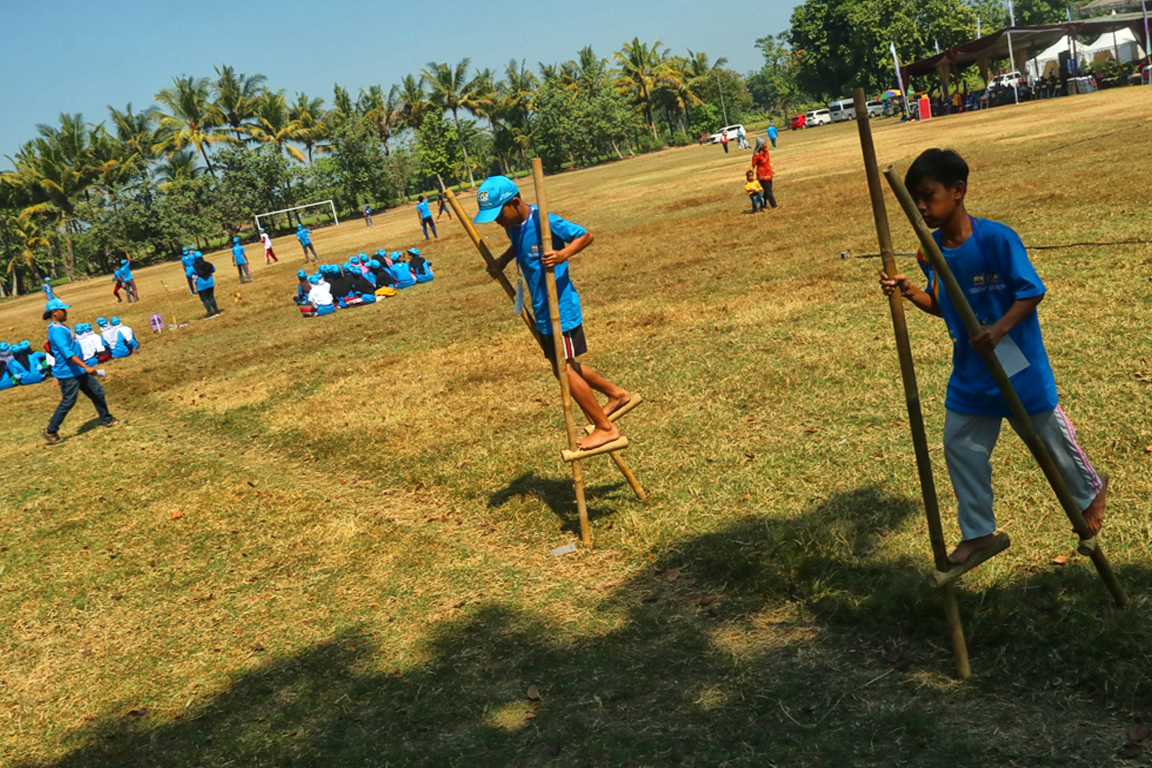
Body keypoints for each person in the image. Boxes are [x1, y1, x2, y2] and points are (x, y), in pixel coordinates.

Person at [878, 148, 1106, 565]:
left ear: (958, 190)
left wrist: (999, 327)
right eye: (916, 201)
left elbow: (1031, 289)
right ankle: (979, 532)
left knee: (1050, 441)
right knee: (959, 445)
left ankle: (1090, 491)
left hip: (1017, 365)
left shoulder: (997, 239)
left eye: (929, 196)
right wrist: (912, 292)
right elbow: (943, 305)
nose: (922, 208)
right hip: (971, 372)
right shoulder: (928, 252)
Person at [475, 175, 630, 451]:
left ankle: (606, 428)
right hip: (541, 308)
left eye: (498, 214)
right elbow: (518, 243)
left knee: (564, 368)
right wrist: (503, 260)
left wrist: (563, 254)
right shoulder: (513, 225)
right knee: (564, 365)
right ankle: (616, 394)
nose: (498, 222)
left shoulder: (544, 221)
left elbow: (586, 235)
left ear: (514, 202)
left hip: (561, 308)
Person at [41, 298, 118, 443]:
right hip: (68, 372)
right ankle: (50, 430)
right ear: (55, 313)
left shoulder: (61, 327)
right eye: (63, 310)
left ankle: (107, 419)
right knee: (68, 401)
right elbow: (67, 353)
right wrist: (86, 366)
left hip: (77, 370)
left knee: (97, 392)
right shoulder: (56, 331)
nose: (65, 312)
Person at [750, 137, 779, 210]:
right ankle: (774, 205)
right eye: (764, 143)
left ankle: (763, 205)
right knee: (769, 191)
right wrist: (750, 175)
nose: (766, 144)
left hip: (768, 173)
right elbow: (752, 165)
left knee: (767, 191)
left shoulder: (766, 151)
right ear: (761, 145)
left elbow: (768, 161)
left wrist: (772, 168)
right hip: (762, 175)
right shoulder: (756, 155)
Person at [192, 252, 221, 318]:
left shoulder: (194, 266)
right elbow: (214, 269)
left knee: (205, 299)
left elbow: (188, 274)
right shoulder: (208, 264)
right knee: (211, 297)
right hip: (210, 283)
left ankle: (210, 313)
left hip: (201, 285)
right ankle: (216, 311)